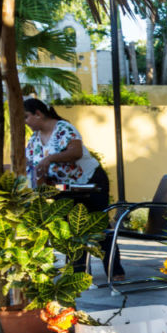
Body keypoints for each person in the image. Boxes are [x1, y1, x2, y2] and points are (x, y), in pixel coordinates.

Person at [23, 97, 125, 281]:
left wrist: (49, 159)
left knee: (98, 224)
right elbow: (32, 166)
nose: (25, 122)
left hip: (91, 180)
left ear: (38, 114)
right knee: (71, 227)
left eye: (27, 117)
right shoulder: (34, 140)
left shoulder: (63, 128)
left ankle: (115, 270)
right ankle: (78, 272)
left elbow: (76, 152)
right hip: (65, 188)